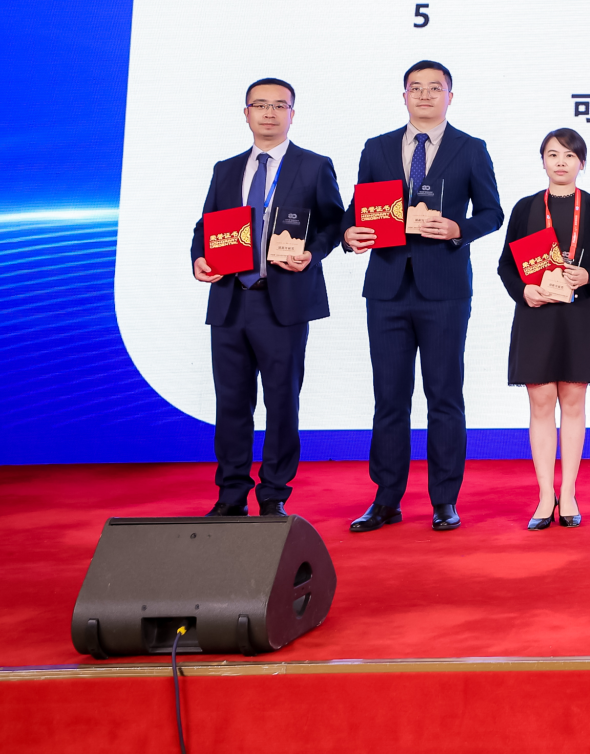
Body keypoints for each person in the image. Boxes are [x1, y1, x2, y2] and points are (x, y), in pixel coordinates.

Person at [343, 60, 503, 534]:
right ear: (404, 96)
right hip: (387, 288)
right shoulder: (377, 147)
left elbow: (492, 212)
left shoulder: (470, 148)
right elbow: (357, 210)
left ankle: (444, 499)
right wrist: (350, 234)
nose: (426, 95)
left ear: (450, 96)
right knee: (389, 398)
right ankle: (385, 499)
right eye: (417, 88)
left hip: (444, 291)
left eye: (436, 88)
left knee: (444, 396)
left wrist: (458, 229)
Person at [189, 78, 345, 516]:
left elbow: (334, 224)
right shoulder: (226, 169)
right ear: (246, 114)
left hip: (283, 302)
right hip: (230, 300)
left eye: (280, 105)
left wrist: (312, 254)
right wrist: (199, 257)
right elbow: (205, 226)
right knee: (231, 403)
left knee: (281, 402)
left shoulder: (313, 166)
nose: (270, 113)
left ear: (292, 113)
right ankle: (231, 494)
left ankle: (274, 493)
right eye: (260, 105)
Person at [497, 128, 590, 530]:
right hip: (536, 315)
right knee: (539, 407)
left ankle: (567, 492)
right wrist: (524, 290)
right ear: (542, 161)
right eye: (553, 154)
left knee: (573, 405)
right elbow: (505, 265)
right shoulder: (525, 208)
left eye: (569, 155)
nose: (561, 162)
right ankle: (543, 496)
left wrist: (588, 276)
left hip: (578, 315)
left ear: (581, 163)